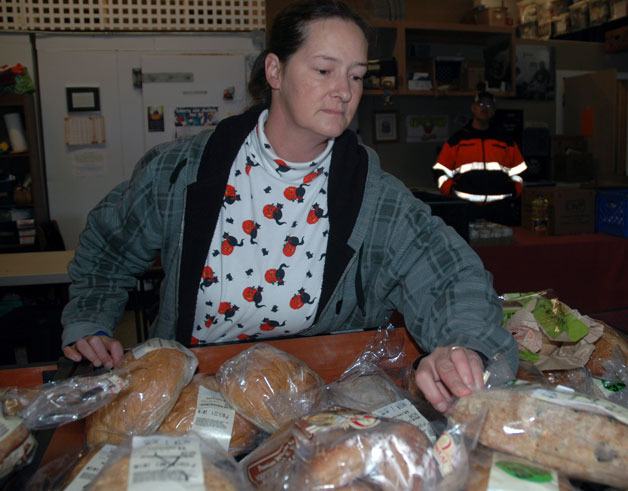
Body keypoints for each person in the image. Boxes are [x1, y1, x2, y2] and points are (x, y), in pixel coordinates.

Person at [61, 0, 517, 414]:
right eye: (324, 70)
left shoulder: (375, 198)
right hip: (192, 400)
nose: (344, 91)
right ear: (275, 72)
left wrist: (464, 348)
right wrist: (90, 319)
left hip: (317, 400)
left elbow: (449, 276)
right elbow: (109, 244)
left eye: (356, 75)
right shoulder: (184, 172)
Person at [433, 90, 527, 224]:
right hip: (466, 210)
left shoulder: (506, 141)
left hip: (500, 211)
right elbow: (440, 171)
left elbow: (520, 171)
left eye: (489, 105)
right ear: (473, 108)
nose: (484, 108)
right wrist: (451, 191)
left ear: (494, 110)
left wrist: (514, 191)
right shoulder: (458, 140)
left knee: (502, 245)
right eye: (481, 104)